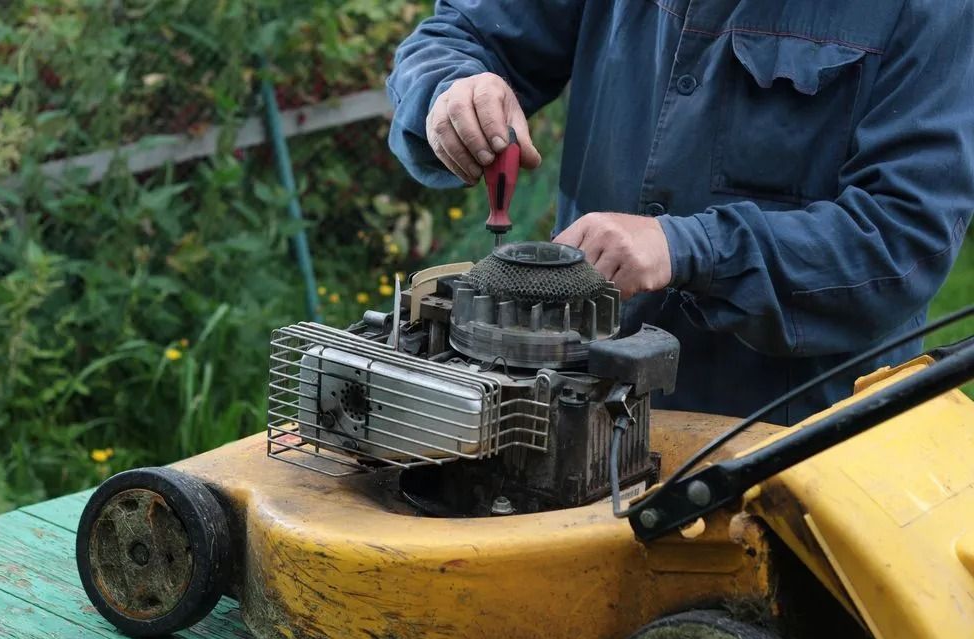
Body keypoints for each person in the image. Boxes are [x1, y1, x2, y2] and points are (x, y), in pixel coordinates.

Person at [386, 0, 974, 424]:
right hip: (583, 407)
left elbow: (903, 235)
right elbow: (465, 31)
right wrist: (450, 89)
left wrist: (690, 248)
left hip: (794, 441)